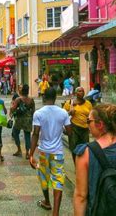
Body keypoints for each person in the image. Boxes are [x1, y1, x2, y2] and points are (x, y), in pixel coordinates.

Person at [29, 87, 72, 215]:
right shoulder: (63, 113)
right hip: (58, 152)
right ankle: (56, 213)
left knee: (44, 178)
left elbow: (36, 133)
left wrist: (31, 154)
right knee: (58, 180)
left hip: (43, 151)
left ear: (43, 97)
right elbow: (69, 132)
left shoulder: (38, 113)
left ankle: (47, 201)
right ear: (55, 98)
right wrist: (61, 128)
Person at [63, 86, 92, 163]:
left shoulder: (88, 104)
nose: (81, 92)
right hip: (74, 128)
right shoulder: (70, 103)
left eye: (82, 91)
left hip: (85, 129)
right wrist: (70, 112)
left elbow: (91, 115)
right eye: (79, 91)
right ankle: (76, 165)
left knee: (85, 148)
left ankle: (83, 164)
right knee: (74, 148)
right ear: (75, 93)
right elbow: (63, 115)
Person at [11, 84, 35, 159]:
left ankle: (19, 149)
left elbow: (13, 108)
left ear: (21, 91)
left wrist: (12, 108)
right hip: (28, 119)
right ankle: (27, 153)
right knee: (27, 136)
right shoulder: (31, 99)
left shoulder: (18, 99)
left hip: (19, 119)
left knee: (15, 133)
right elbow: (33, 110)